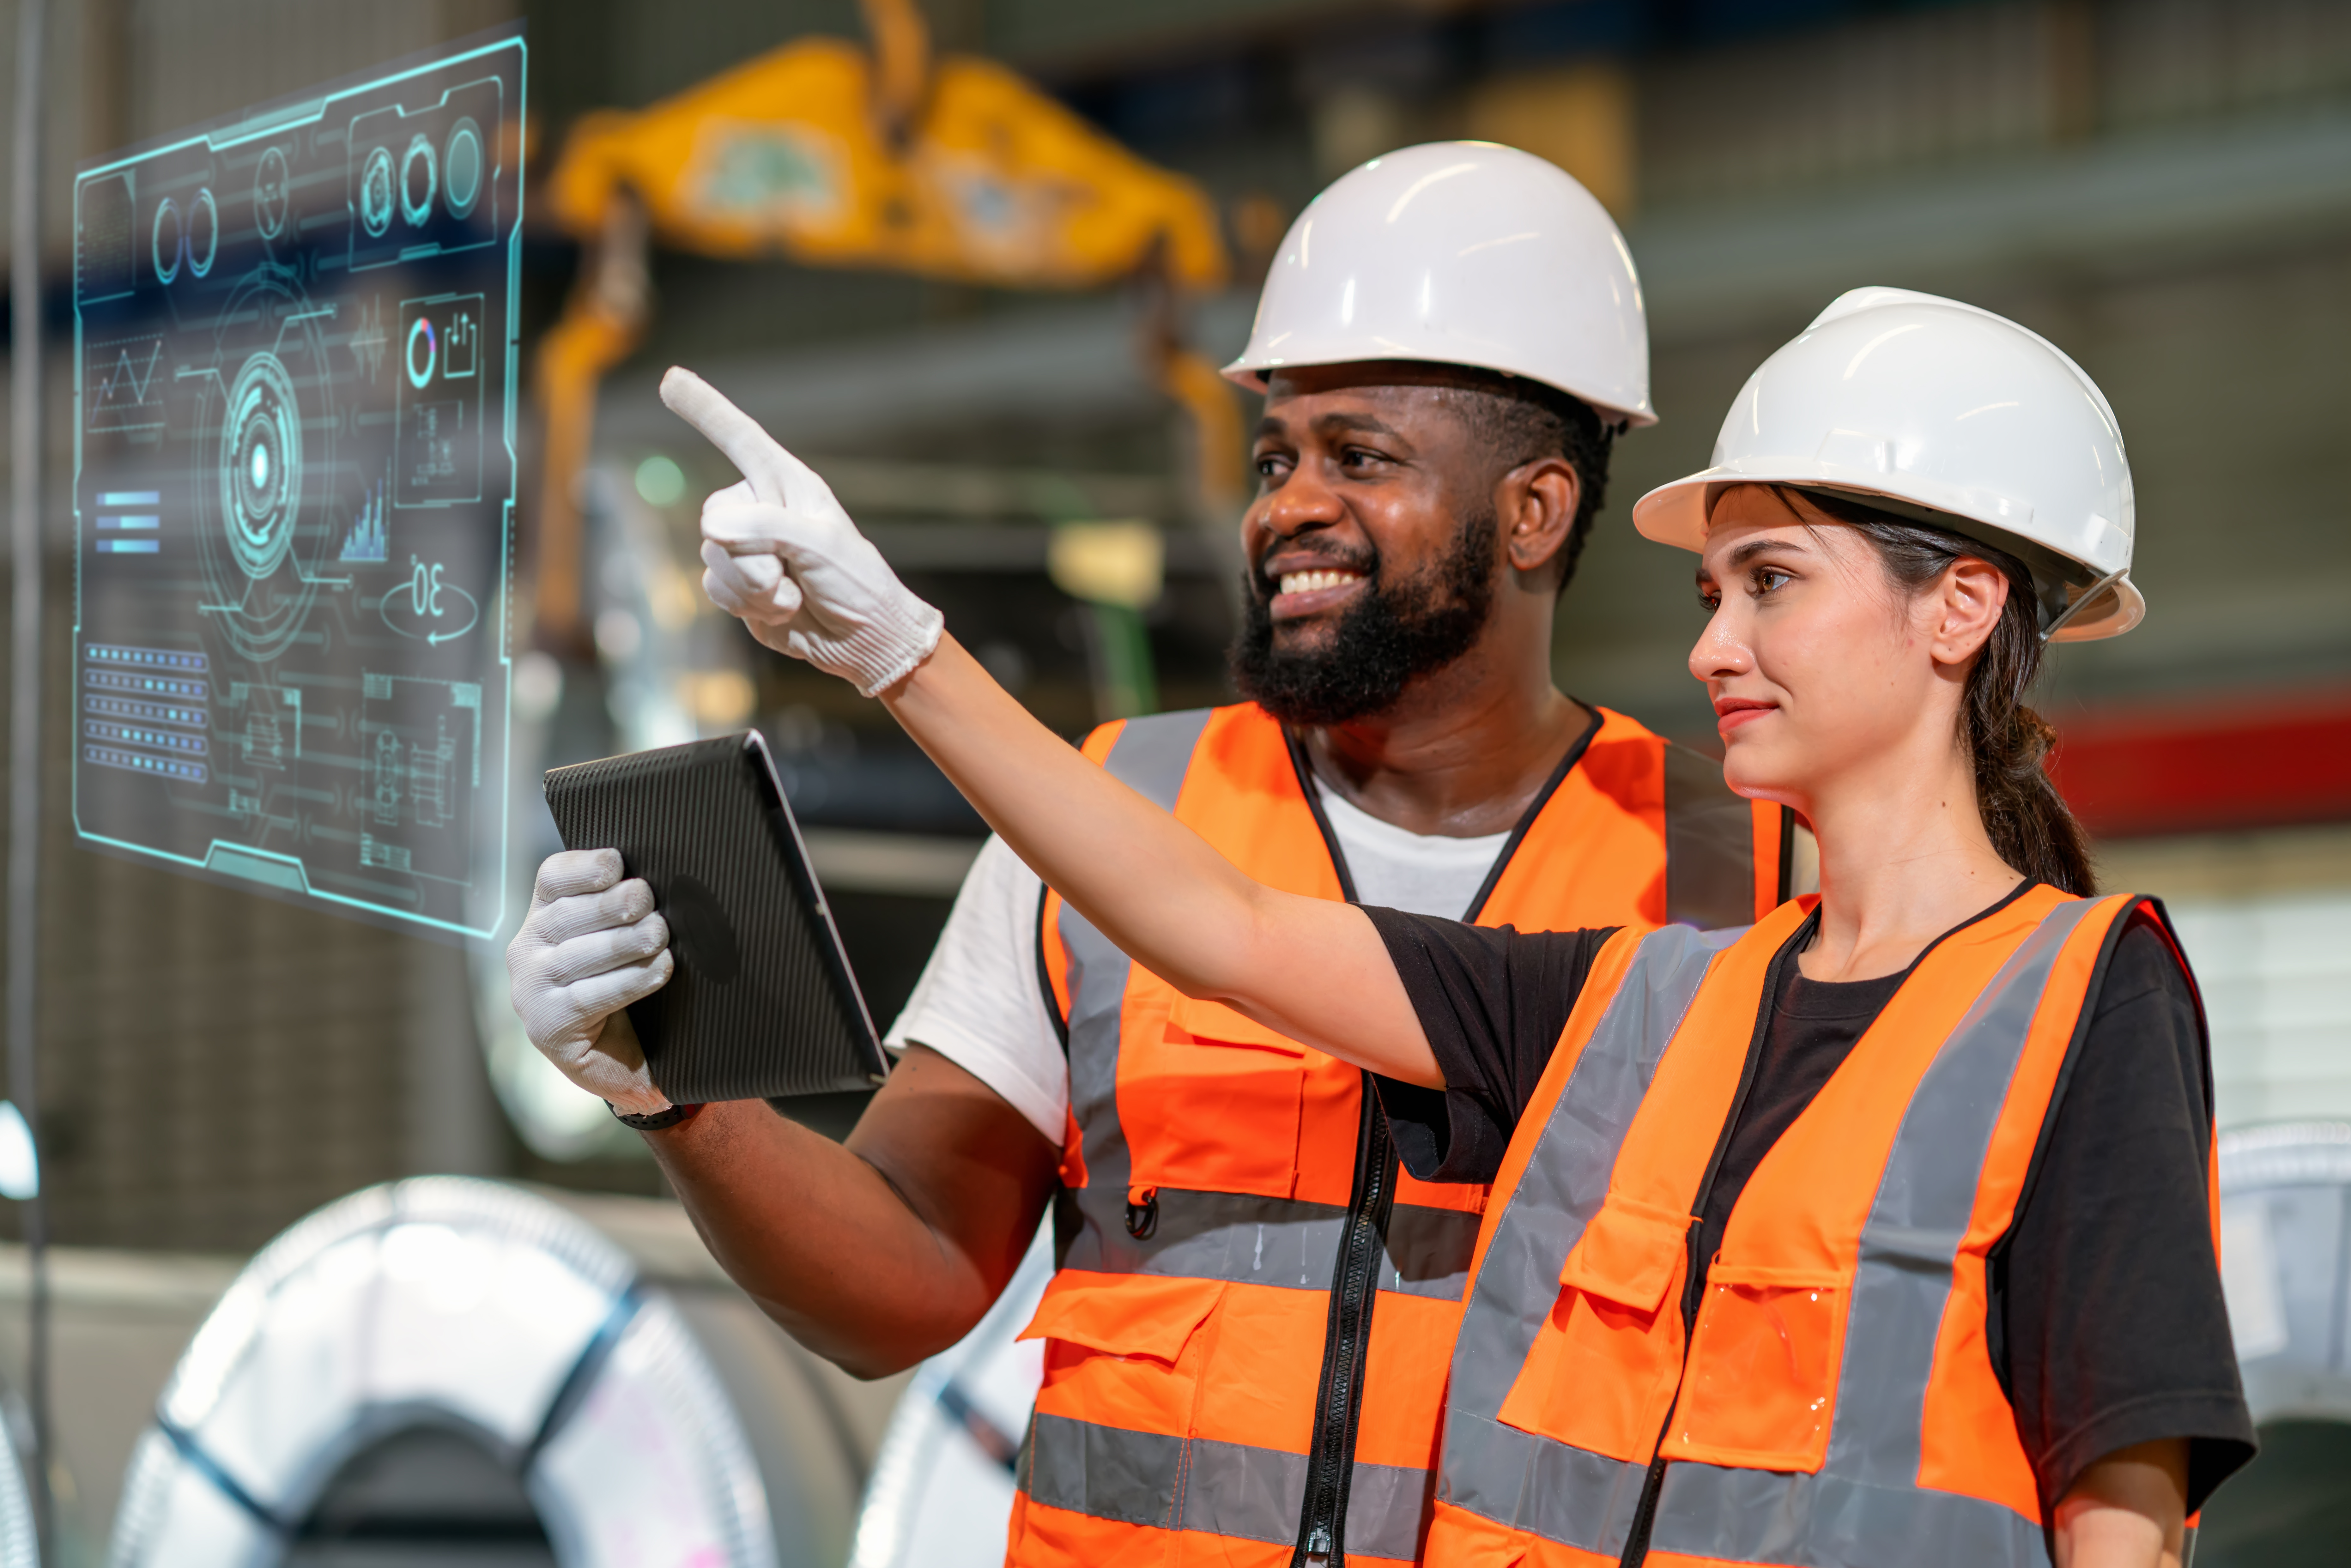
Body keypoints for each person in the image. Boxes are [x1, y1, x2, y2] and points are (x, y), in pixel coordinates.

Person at [635, 287, 2252, 1568]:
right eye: (1713, 599)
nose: (1713, 649)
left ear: (1956, 607)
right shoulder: (1654, 999)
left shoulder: (2080, 995)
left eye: (1768, 581)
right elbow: (1227, 925)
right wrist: (894, 646)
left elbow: (2119, 1492)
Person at [507, 143, 1796, 1566]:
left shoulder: (1745, 864)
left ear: (1533, 510)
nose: (1285, 507)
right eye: (1275, 459)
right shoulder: (1105, 814)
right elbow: (903, 1275)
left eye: (1358, 457)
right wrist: (674, 1097)